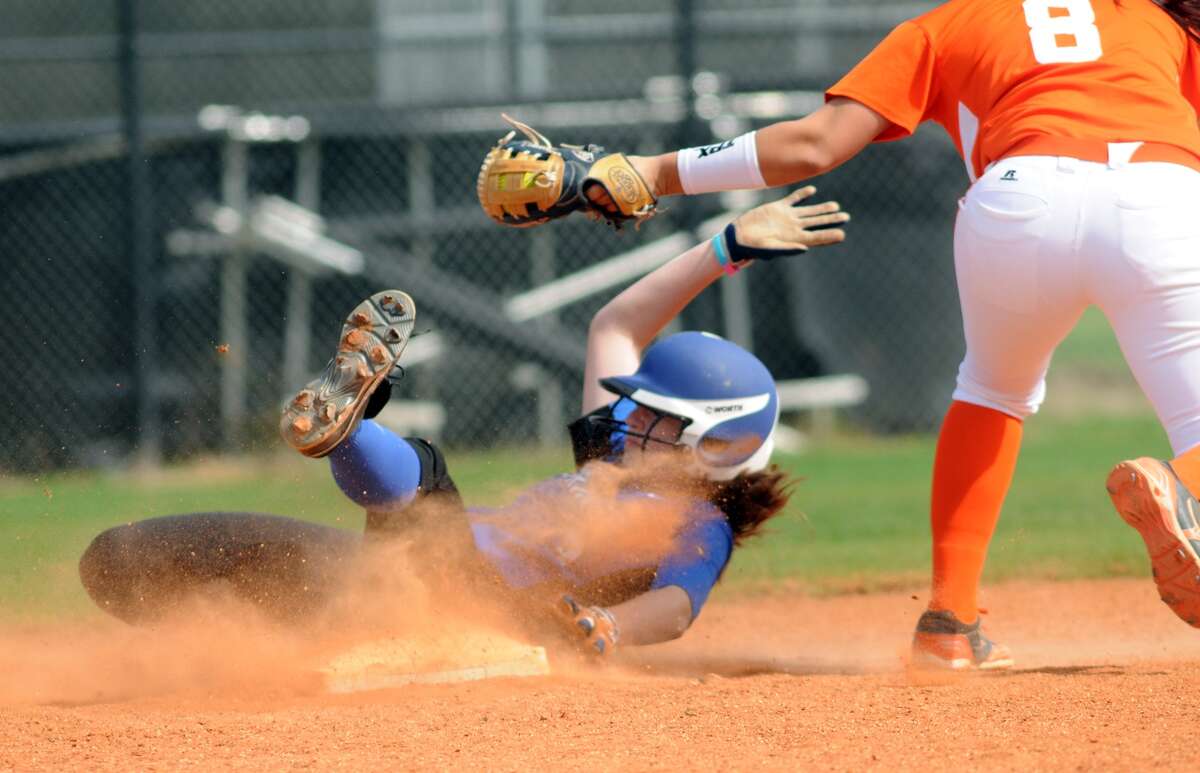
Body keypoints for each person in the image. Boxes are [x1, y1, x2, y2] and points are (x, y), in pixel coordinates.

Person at [575, 0, 1200, 670]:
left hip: (1018, 198)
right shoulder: (1160, 20)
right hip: (1158, 193)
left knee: (992, 391)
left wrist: (654, 171)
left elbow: (815, 144)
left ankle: (949, 624)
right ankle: (1181, 484)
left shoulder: (954, 22)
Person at [78, 191, 849, 655]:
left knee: (430, 478)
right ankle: (347, 450)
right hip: (403, 578)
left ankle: (349, 432)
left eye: (654, 413)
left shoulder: (695, 524)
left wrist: (608, 629)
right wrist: (726, 247)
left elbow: (676, 610)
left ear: (714, 444)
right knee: (120, 561)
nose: (629, 413)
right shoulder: (606, 454)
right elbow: (615, 326)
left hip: (486, 608)